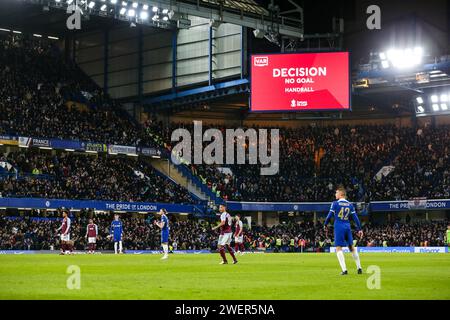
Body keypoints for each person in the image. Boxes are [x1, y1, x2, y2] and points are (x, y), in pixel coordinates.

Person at [324, 186, 363, 275]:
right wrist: (360, 229)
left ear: (341, 194)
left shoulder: (335, 203)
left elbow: (329, 215)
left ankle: (344, 270)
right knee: (351, 247)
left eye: (336, 192)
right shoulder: (350, 204)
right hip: (347, 226)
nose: (335, 194)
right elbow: (355, 218)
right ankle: (359, 268)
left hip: (339, 226)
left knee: (338, 248)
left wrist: (325, 224)